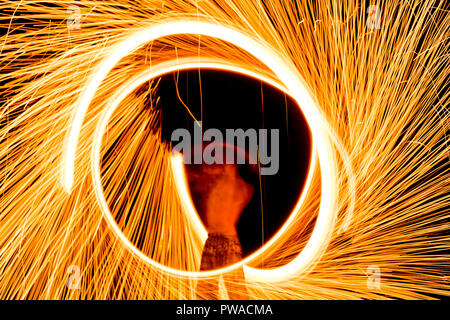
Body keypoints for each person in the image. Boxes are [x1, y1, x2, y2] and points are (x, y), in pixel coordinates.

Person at [184, 144, 255, 299]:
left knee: (237, 295)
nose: (216, 164)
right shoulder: (213, 183)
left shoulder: (239, 186)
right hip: (211, 241)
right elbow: (201, 173)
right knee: (204, 294)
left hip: (228, 243)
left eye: (223, 161)